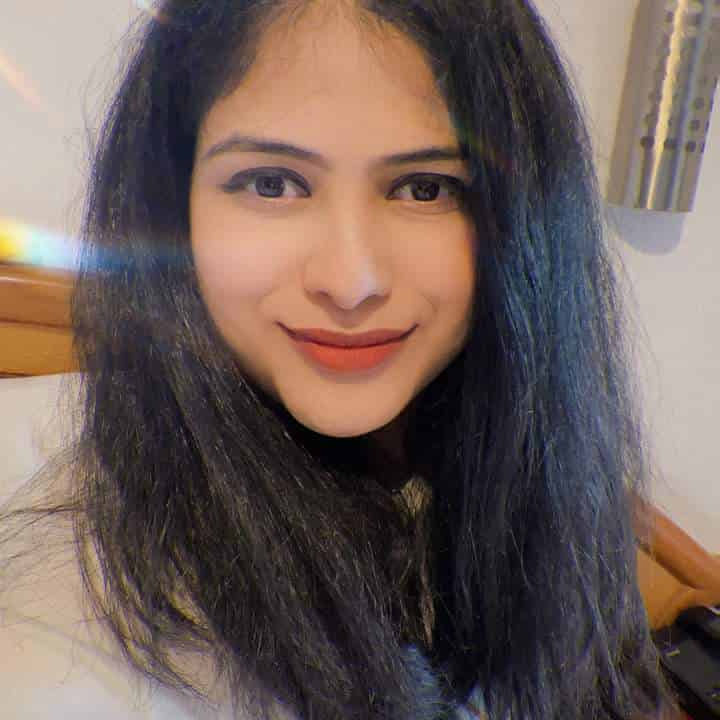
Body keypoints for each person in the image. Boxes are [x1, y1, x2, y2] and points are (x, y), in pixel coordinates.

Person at [0, 1, 680, 718]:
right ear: (174, 209)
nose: (351, 283)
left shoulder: (543, 478)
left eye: (425, 188)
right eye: (272, 183)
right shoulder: (60, 658)